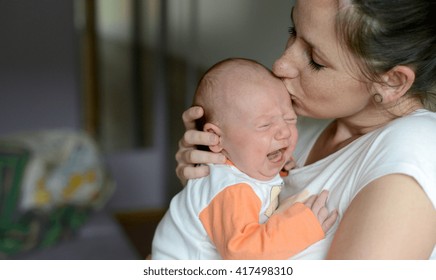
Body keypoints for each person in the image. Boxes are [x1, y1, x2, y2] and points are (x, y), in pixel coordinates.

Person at [175, 0, 436, 259]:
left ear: (391, 82)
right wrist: (212, 186)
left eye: (315, 59)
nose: (280, 64)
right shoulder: (298, 127)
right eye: (293, 32)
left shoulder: (415, 149)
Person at [152, 58, 338, 260]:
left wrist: (281, 169)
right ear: (217, 138)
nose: (284, 132)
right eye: (265, 125)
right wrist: (303, 228)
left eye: (289, 119)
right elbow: (241, 253)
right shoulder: (230, 189)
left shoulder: (243, 166)